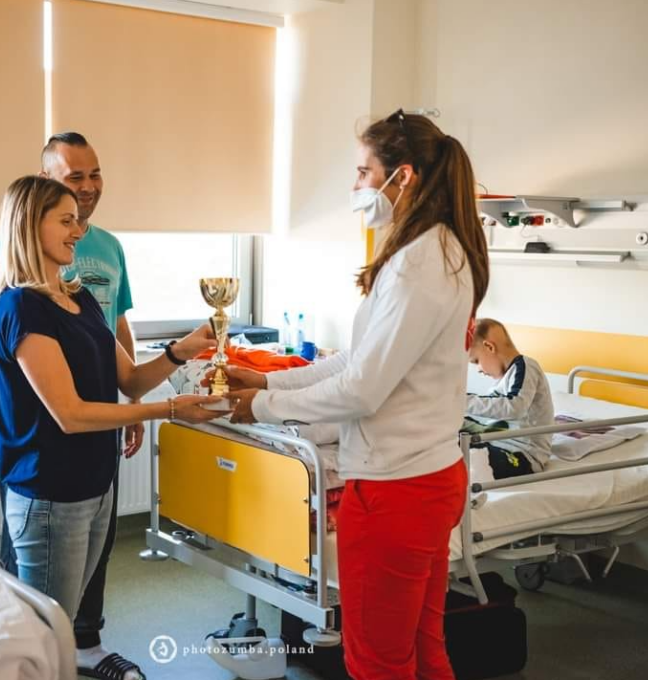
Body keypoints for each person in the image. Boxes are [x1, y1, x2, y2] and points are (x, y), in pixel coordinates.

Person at [222, 110, 490, 680]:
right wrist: (268, 381)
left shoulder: (418, 265)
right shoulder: (436, 249)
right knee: (424, 650)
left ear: (403, 176)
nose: (356, 186)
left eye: (364, 172)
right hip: (428, 478)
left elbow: (362, 389)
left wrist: (262, 408)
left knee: (375, 662)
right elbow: (356, 360)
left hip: (397, 491)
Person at [0, 175, 225, 680]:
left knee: (65, 626)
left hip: (96, 485)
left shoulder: (81, 300)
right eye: (66, 221)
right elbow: (71, 414)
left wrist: (185, 347)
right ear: (29, 225)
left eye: (78, 220)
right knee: (45, 643)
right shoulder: (22, 307)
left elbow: (130, 379)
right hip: (50, 495)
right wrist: (170, 411)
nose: (79, 231)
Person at [0, 133, 144, 678]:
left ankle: (83, 646)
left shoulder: (94, 267)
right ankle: (27, 654)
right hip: (48, 457)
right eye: (74, 179)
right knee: (35, 585)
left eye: (95, 174)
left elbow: (116, 331)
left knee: (83, 571)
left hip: (98, 442)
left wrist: (138, 393)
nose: (88, 190)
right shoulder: (17, 289)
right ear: (45, 187)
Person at [466, 318, 554, 478]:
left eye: (476, 361)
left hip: (524, 455)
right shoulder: (503, 381)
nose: (478, 369)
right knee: (448, 442)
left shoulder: (526, 366)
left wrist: (462, 401)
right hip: (497, 444)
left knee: (472, 457)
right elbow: (488, 409)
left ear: (489, 347)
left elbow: (514, 407)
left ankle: (470, 476)